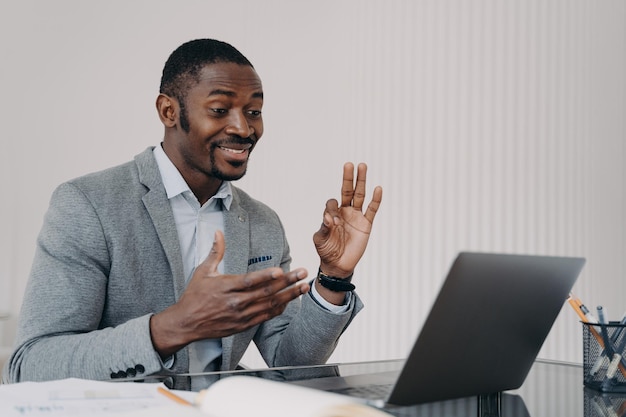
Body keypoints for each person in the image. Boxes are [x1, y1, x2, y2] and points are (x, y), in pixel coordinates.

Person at [2, 39, 383, 390]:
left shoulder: (262, 223)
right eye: (220, 110)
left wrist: (334, 277)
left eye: (254, 111)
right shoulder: (87, 205)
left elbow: (291, 364)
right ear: (168, 111)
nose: (243, 128)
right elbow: (32, 365)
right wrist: (168, 329)